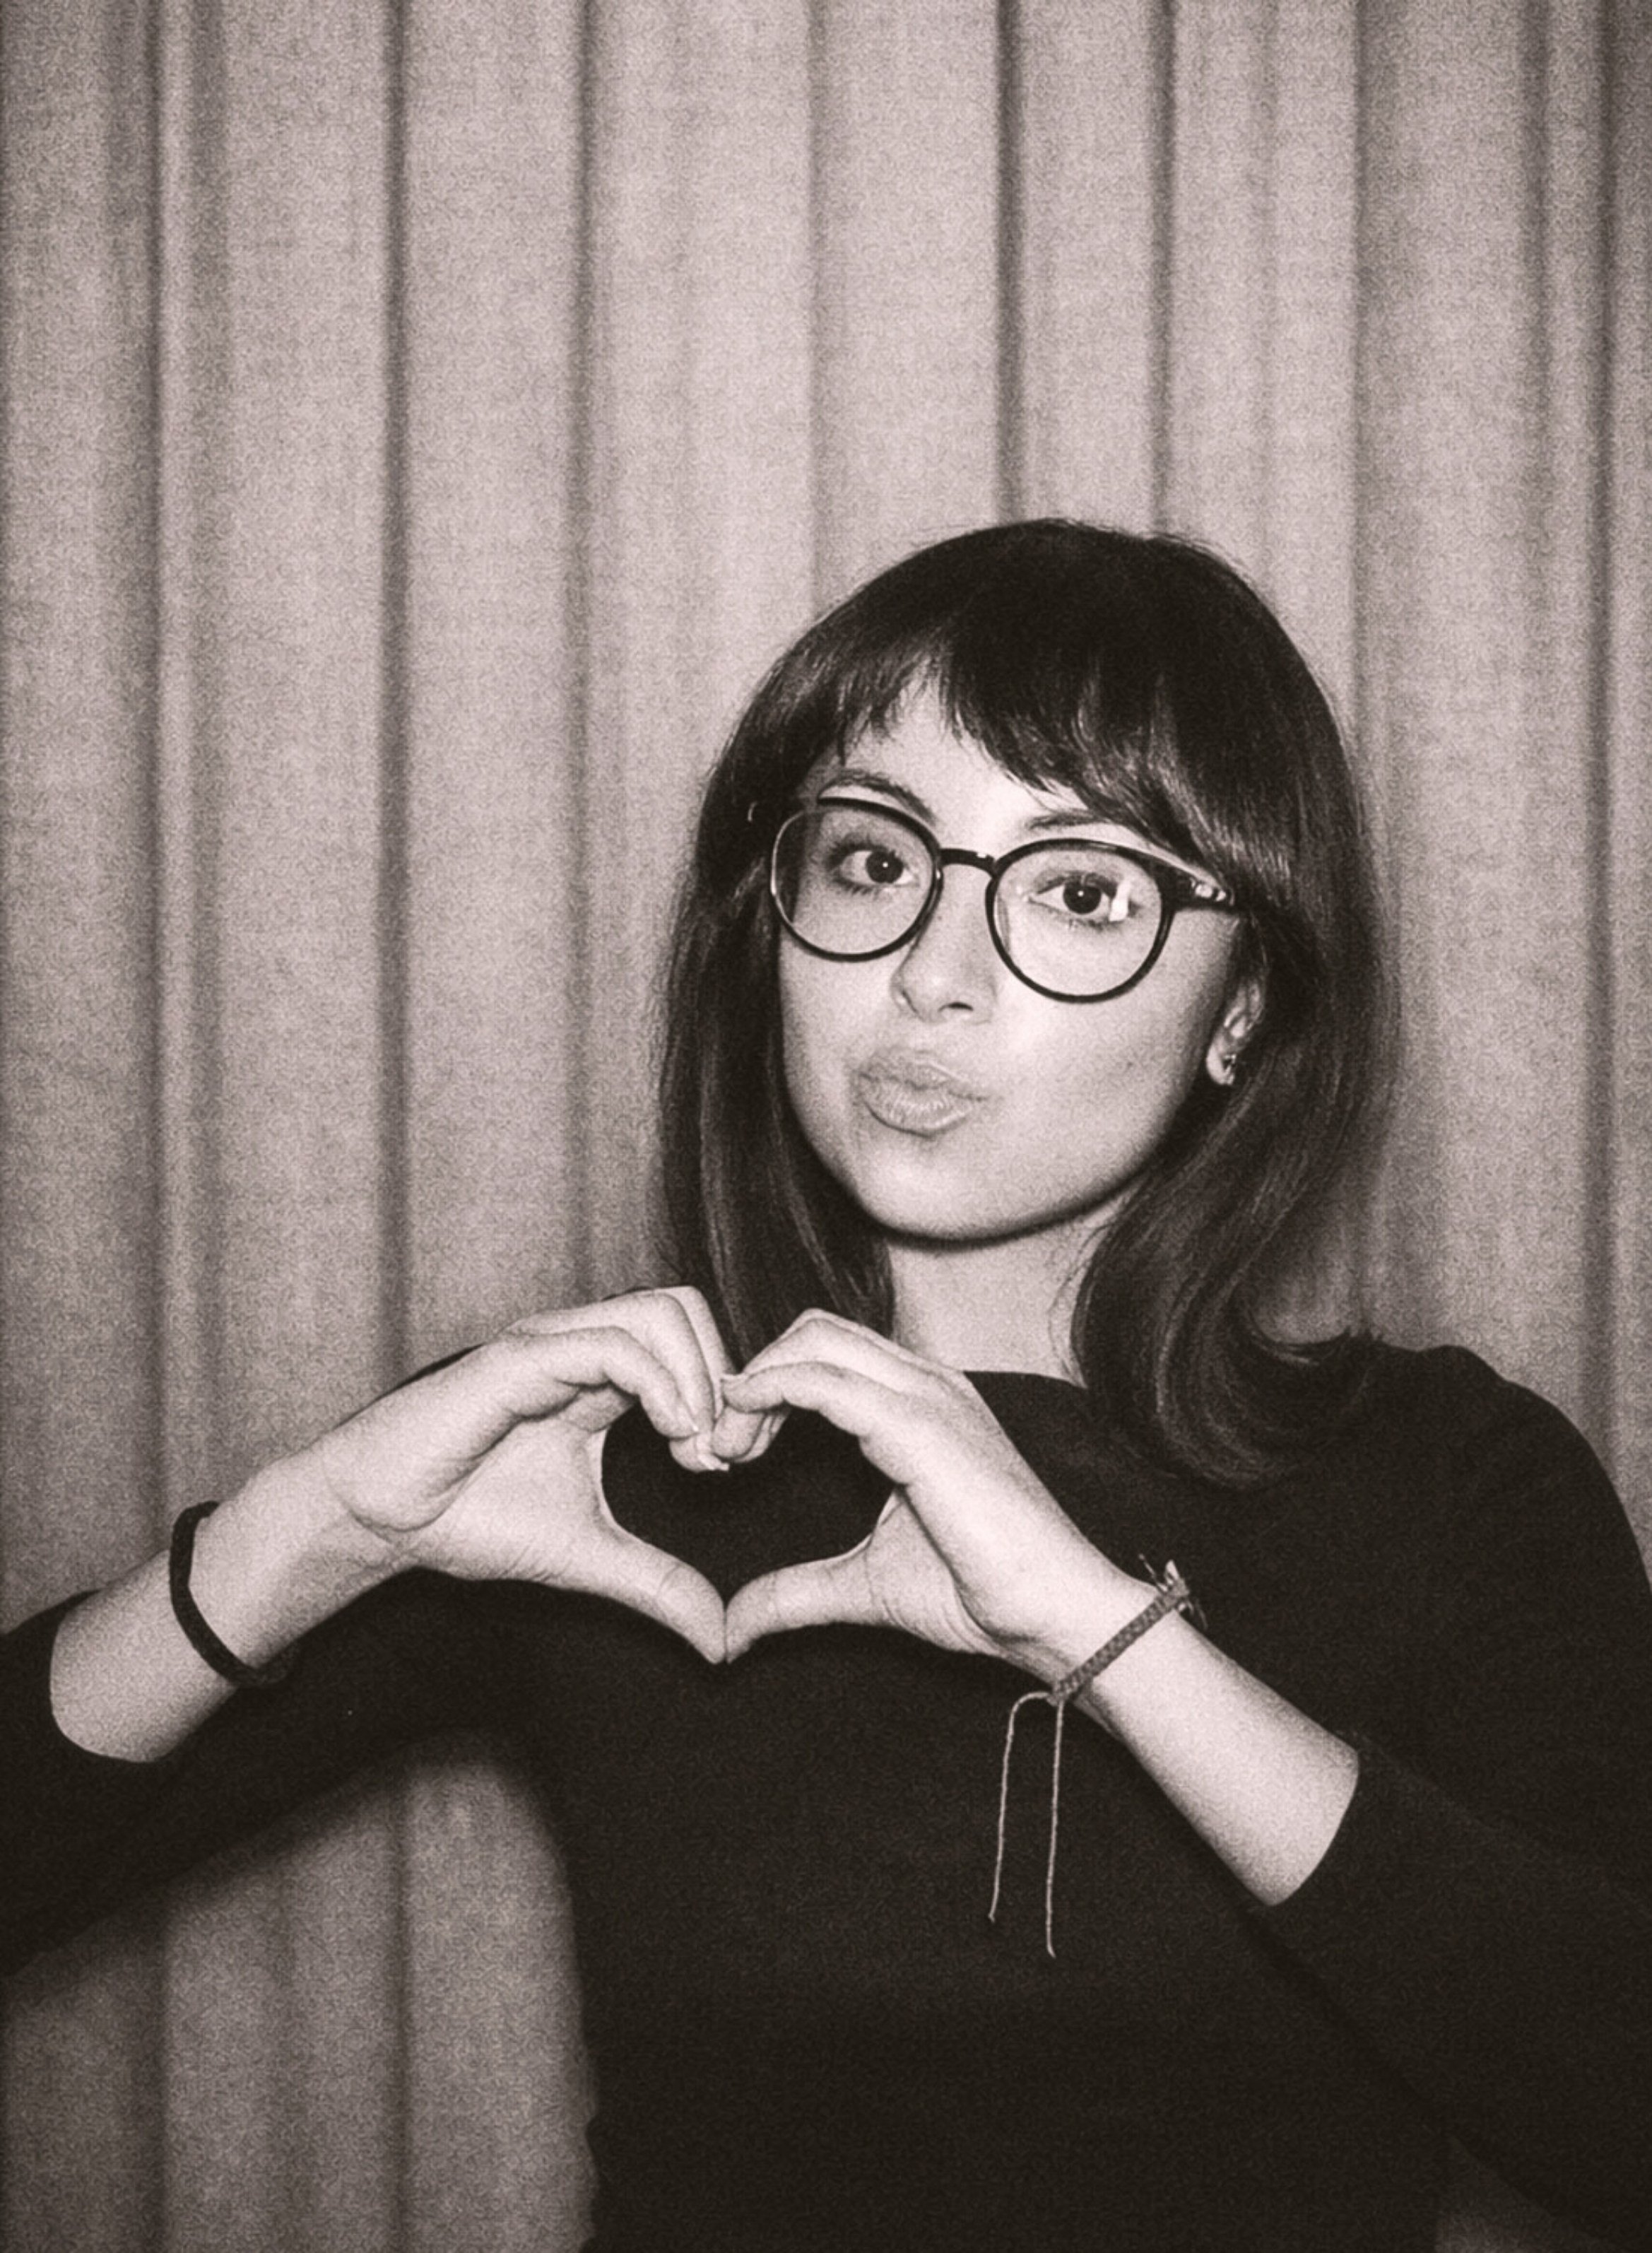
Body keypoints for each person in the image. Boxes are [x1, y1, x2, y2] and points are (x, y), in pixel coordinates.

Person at [4, 520, 1650, 2251]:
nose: (928, 975)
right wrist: (299, 1531)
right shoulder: (600, 1466)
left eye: (1078, 891)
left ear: (1243, 1005)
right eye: (872, 863)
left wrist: (1108, 1642)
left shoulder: (1449, 1480)